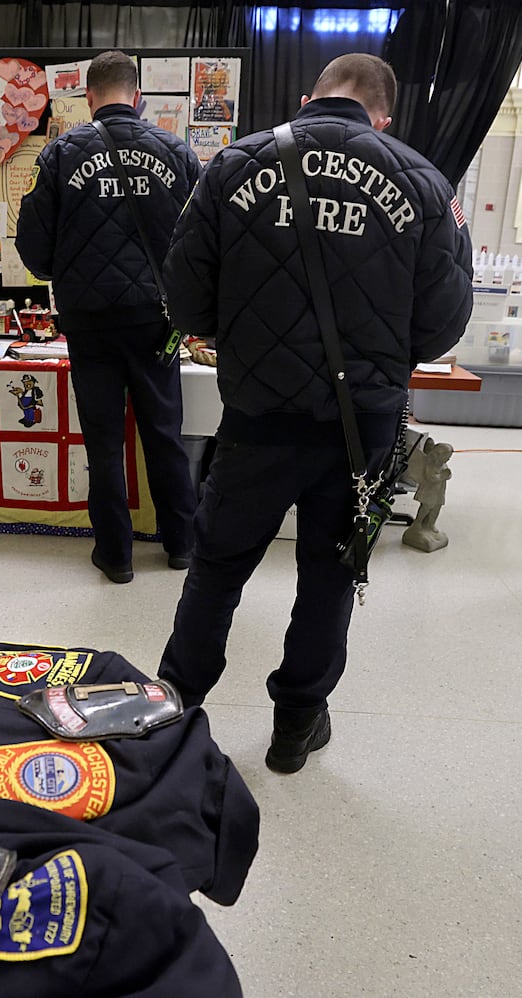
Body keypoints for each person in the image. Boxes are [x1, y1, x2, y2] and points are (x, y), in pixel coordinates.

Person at [156, 53, 474, 773]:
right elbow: (441, 328)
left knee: (217, 565)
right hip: (360, 430)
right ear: (383, 116)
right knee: (330, 576)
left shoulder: (231, 166)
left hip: (257, 418)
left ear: (309, 99)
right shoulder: (426, 182)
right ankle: (295, 726)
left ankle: (174, 703)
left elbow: (185, 302)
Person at [16, 50, 201, 585]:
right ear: (138, 95)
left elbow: (34, 250)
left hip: (89, 320)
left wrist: (68, 270)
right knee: (164, 432)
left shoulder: (60, 154)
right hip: (157, 318)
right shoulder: (177, 152)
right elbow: (198, 245)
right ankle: (181, 545)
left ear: (89, 97)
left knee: (102, 438)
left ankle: (115, 555)